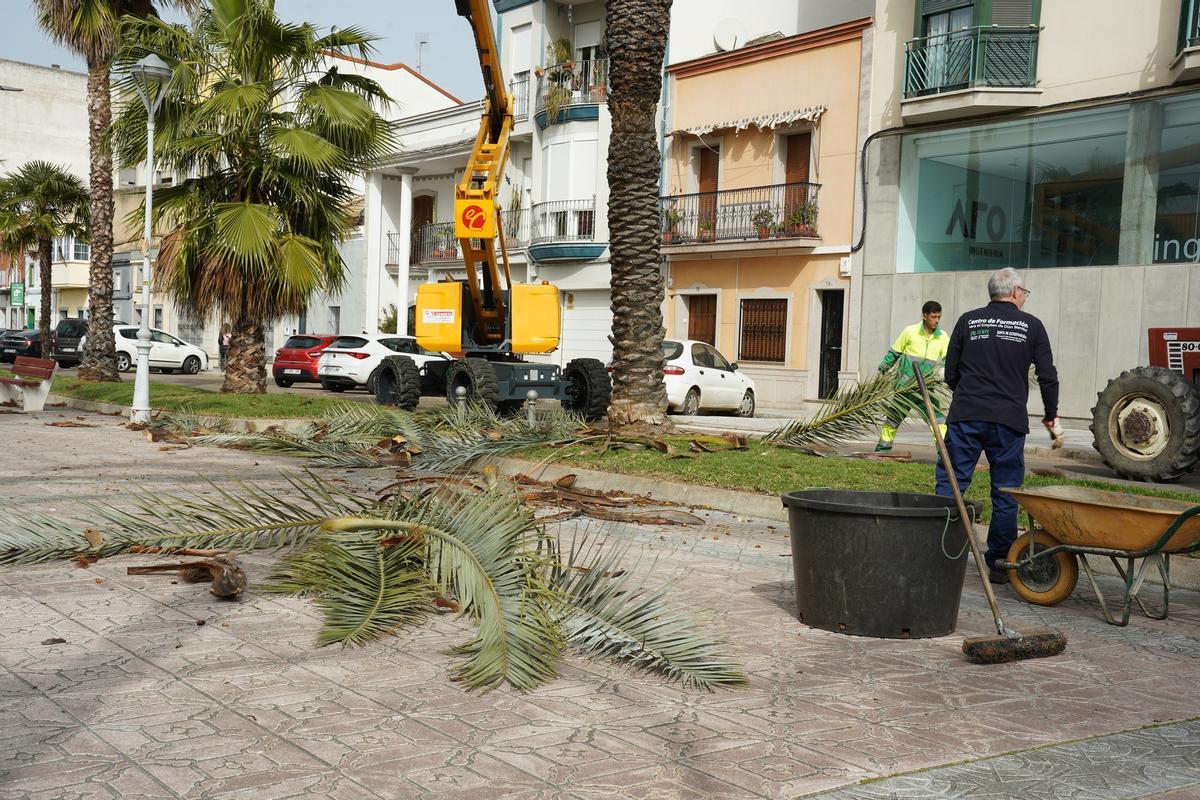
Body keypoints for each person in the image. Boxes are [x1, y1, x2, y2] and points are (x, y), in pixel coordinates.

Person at [936, 267, 1061, 585]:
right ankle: (999, 564)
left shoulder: (968, 320)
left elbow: (951, 372)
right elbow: (1047, 375)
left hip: (966, 416)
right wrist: (1051, 414)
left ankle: (939, 555)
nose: (1024, 297)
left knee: (951, 485)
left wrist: (969, 396)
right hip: (1008, 420)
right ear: (1016, 292)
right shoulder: (1032, 326)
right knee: (1005, 494)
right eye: (1025, 293)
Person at [875, 300, 950, 452]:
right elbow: (894, 352)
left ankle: (944, 451)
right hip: (905, 386)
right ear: (924, 316)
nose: (936, 321)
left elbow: (949, 358)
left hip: (927, 387)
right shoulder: (910, 332)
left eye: (939, 317)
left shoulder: (942, 336)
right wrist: (883, 368)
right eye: (933, 317)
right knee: (894, 417)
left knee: (938, 419)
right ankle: (883, 449)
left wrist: (944, 369)